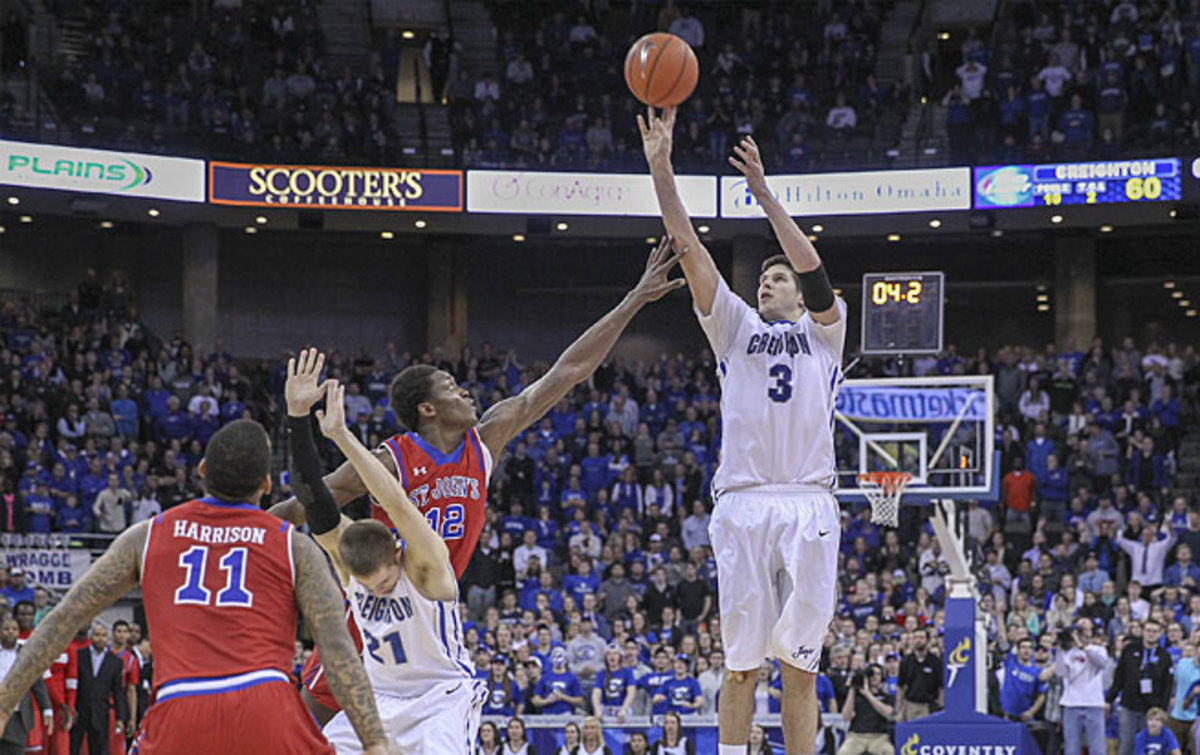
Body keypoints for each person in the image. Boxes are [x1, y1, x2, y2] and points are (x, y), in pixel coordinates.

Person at [277, 240, 684, 721]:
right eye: (450, 387)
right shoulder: (392, 459)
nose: (465, 390)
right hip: (379, 603)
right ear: (426, 409)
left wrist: (635, 298)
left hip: (434, 605)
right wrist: (238, 523)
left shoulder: (486, 440)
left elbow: (569, 371)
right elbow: (309, 504)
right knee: (308, 724)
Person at [641, 110, 845, 755]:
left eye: (775, 277)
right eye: (763, 275)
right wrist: (661, 167)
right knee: (740, 664)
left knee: (801, 667)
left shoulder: (825, 333)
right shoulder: (733, 326)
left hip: (809, 499)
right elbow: (689, 246)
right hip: (744, 502)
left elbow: (814, 272)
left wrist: (763, 194)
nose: (767, 280)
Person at [0, 419, 390, 755]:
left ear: (201, 469)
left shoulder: (147, 536)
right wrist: (375, 742)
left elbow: (62, 619)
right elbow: (339, 653)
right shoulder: (294, 545)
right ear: (267, 484)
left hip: (180, 704)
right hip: (267, 705)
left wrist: (4, 705)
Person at [282, 357, 485, 754]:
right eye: (369, 586)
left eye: (384, 583)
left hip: (439, 697)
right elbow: (315, 501)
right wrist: (297, 417)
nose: (377, 590)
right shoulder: (355, 571)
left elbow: (395, 499)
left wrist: (341, 436)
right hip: (379, 697)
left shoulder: (428, 566)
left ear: (398, 555)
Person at [1110, 619, 1173, 755]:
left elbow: (1167, 685)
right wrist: (1109, 699)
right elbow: (1119, 676)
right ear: (1143, 632)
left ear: (1160, 634)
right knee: (1126, 744)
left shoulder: (1164, 656)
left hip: (1151, 710)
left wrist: (1162, 708)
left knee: (1150, 746)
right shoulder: (1129, 649)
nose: (1151, 634)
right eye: (1148, 630)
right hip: (1129, 706)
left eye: (1154, 631)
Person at [1045, 623, 1109, 755]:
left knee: (1097, 748)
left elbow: (1102, 662)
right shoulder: (1068, 653)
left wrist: (1082, 646)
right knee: (1071, 748)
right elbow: (1060, 672)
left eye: (1084, 630)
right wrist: (1060, 650)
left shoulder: (1098, 649)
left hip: (1093, 703)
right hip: (1071, 704)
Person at [71, 621, 127, 755]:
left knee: (99, 749)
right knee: (72, 747)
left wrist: (120, 718)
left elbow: (118, 691)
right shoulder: (79, 655)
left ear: (108, 638)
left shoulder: (115, 662)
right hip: (79, 710)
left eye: (103, 635)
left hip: (100, 711)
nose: (100, 638)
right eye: (97, 635)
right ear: (91, 637)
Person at [0, 616, 51, 755]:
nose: (10, 632)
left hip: (17, 715)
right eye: (6, 629)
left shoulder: (26, 653)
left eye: (14, 629)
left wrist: (46, 708)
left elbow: (37, 683)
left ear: (18, 632)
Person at [838, 664, 895, 755]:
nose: (874, 677)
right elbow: (846, 716)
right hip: (856, 737)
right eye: (871, 674)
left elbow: (887, 712)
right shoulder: (856, 697)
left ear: (882, 677)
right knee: (843, 752)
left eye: (878, 674)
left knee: (888, 751)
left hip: (879, 737)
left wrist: (867, 694)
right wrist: (852, 689)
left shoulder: (887, 697)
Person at [898, 628, 943, 721]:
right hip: (910, 705)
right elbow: (900, 686)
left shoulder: (935, 661)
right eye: (915, 637)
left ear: (927, 640)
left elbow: (941, 687)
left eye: (921, 637)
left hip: (929, 705)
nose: (918, 640)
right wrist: (899, 709)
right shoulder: (906, 661)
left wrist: (940, 707)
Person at [592, 644, 636, 723]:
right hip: (606, 708)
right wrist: (597, 709)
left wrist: (623, 709)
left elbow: (631, 693)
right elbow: (596, 693)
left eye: (615, 653)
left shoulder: (627, 672)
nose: (612, 656)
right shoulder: (601, 674)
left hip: (621, 707)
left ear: (620, 656)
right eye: (609, 654)